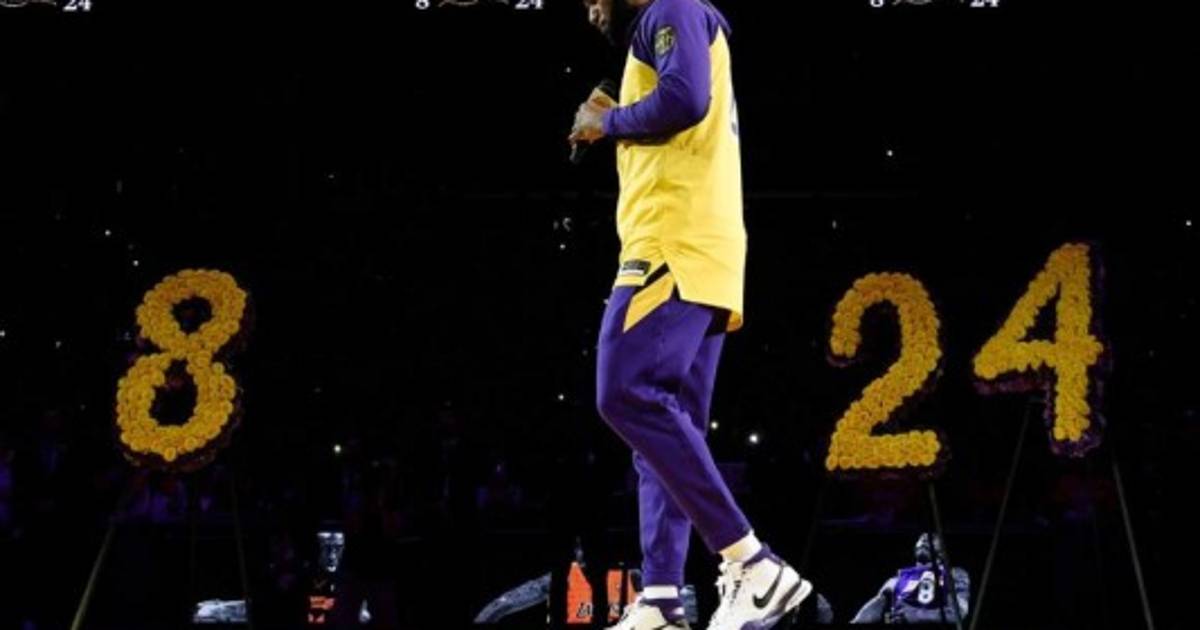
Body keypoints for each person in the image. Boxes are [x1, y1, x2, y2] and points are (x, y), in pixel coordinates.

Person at [571, 2, 812, 628]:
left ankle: (754, 564)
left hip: (670, 244)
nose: (591, 10)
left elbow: (684, 99)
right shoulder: (664, 28)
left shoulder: (671, 7)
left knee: (623, 392)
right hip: (704, 248)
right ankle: (661, 596)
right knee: (664, 429)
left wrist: (607, 121)